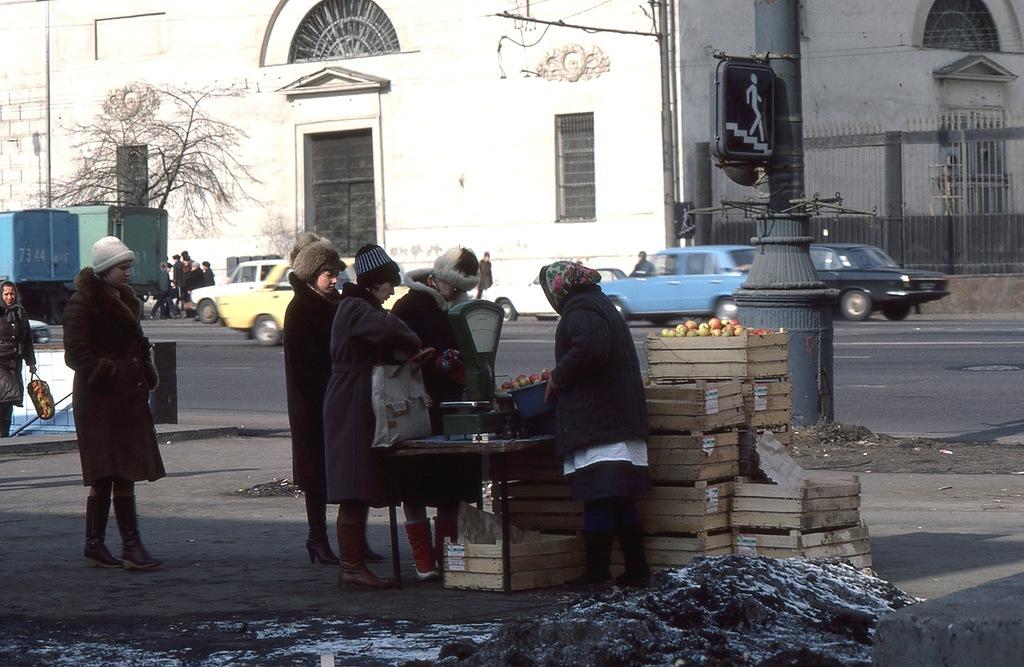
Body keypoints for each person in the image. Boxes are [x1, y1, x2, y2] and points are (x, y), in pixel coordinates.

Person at [539, 260, 651, 588]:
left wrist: (559, 376)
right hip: (617, 417)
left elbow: (589, 349)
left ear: (558, 288)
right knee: (619, 497)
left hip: (600, 420)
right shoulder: (598, 303)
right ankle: (636, 570)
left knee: (599, 495)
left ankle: (597, 573)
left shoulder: (581, 309)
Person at [322, 244, 423, 590]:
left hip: (357, 396)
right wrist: (409, 339)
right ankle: (351, 566)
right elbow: (394, 330)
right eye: (388, 283)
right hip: (351, 399)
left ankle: (353, 563)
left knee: (359, 480)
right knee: (353, 481)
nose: (392, 291)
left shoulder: (356, 306)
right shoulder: (356, 308)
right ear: (374, 282)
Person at [64, 236, 164, 571]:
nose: (128, 273)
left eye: (128, 266)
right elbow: (76, 354)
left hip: (125, 399)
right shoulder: (83, 302)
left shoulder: (123, 299)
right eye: (123, 267)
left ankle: (123, 547)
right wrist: (108, 371)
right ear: (106, 269)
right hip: (100, 402)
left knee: (126, 473)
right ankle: (105, 546)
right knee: (105, 474)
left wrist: (141, 368)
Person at [390, 247, 483, 580]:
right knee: (413, 484)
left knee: (451, 485)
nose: (458, 294)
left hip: (450, 405)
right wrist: (439, 360)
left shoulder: (458, 308)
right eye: (454, 288)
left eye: (463, 290)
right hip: (415, 405)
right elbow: (398, 353)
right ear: (435, 279)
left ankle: (445, 554)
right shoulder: (409, 306)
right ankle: (423, 559)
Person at [284, 233, 363, 567]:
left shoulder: (331, 304)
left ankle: (353, 542)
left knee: (346, 471)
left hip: (334, 401)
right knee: (316, 476)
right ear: (311, 274)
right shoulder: (302, 308)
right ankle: (317, 538)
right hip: (313, 405)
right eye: (328, 273)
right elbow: (305, 366)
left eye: (336, 272)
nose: (335, 278)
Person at [0, 282, 37, 437]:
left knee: (10, 400)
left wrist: (31, 362)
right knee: (6, 398)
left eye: (12, 294)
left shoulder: (20, 312)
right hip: (1, 362)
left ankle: (4, 436)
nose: (9, 297)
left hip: (16, 363)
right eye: (6, 294)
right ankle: (3, 435)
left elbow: (27, 338)